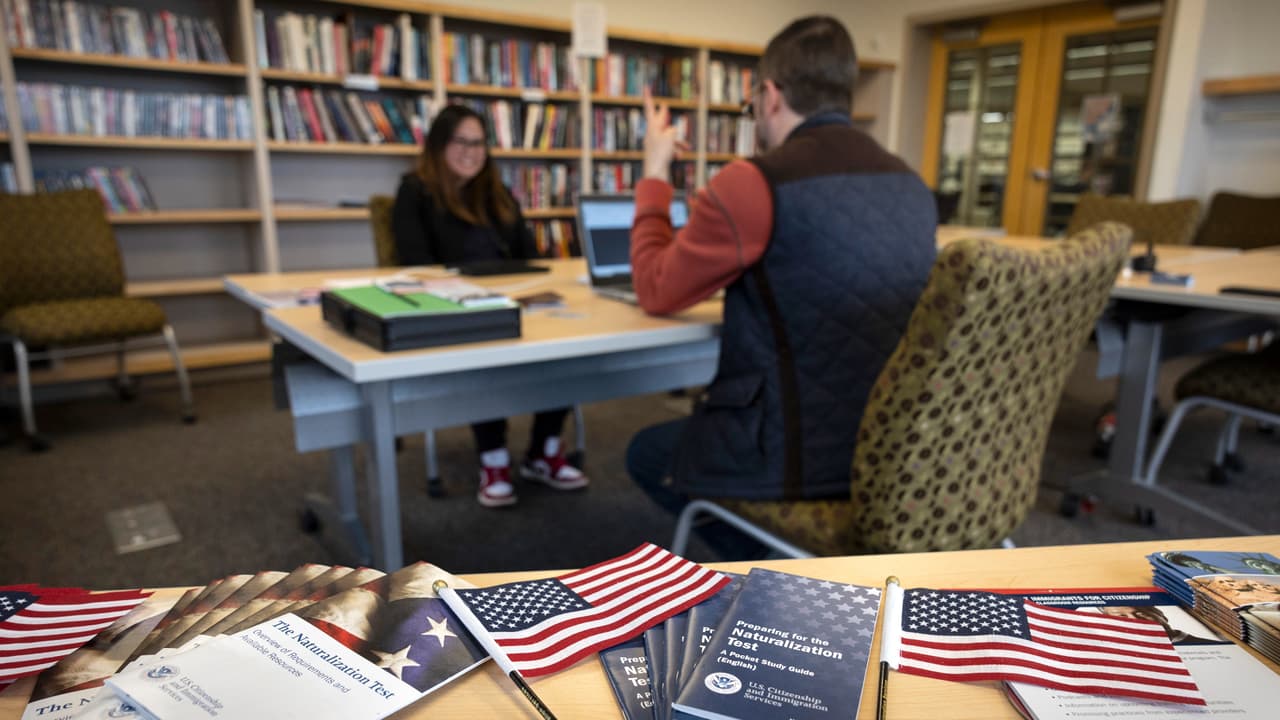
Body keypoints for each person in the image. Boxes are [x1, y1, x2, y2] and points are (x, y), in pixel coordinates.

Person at [625, 15, 937, 555]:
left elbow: (655, 288)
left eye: (750, 109)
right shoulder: (910, 184)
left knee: (646, 453)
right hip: (899, 451)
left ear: (770, 96)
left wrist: (654, 172)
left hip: (793, 457)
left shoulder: (754, 182)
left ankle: (772, 558)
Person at [391, 104, 587, 507]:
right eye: (461, 141)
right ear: (440, 145)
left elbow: (530, 256)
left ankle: (544, 450)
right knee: (487, 348)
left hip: (515, 300)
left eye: (479, 142)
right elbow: (416, 266)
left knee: (566, 342)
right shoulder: (415, 192)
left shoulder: (499, 195)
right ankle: (493, 457)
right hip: (455, 310)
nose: (471, 151)